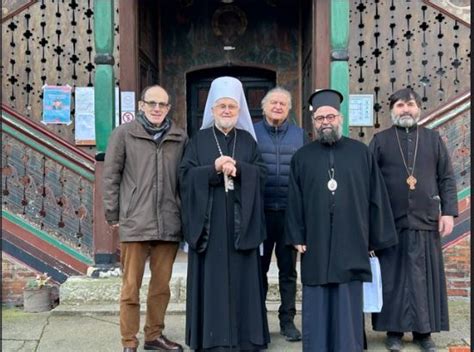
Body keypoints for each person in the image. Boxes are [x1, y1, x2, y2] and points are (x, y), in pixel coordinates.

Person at [285, 88, 398, 351]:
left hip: (352, 235)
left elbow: (376, 197)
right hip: (315, 236)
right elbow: (294, 199)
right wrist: (296, 235)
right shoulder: (302, 157)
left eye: (330, 117)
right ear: (313, 122)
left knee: (348, 294)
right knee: (317, 290)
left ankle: (348, 344)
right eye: (320, 118)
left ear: (340, 118)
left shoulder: (361, 153)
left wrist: (373, 237)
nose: (325, 122)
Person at [179, 76, 271, 351]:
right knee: (212, 284)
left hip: (241, 227)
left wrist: (240, 169)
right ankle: (210, 339)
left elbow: (262, 174)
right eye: (222, 106)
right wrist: (213, 169)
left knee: (244, 283)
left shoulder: (247, 142)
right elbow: (184, 177)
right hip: (211, 227)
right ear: (212, 110)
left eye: (232, 106)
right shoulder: (198, 141)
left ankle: (247, 339)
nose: (227, 111)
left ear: (239, 110)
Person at [369, 88, 458, 352]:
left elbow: (447, 178)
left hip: (425, 221)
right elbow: (368, 181)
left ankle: (424, 332)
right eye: (399, 106)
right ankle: (393, 332)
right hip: (390, 223)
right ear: (392, 111)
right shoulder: (381, 140)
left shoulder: (432, 139)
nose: (405, 109)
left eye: (409, 105)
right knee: (393, 279)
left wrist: (449, 213)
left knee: (423, 278)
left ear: (418, 108)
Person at [103, 85, 187, 352]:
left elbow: (184, 181)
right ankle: (129, 341)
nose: (157, 109)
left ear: (168, 108)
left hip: (168, 221)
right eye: (152, 103)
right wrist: (113, 213)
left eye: (162, 105)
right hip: (135, 221)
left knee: (161, 288)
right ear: (141, 105)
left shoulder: (179, 137)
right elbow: (111, 175)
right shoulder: (124, 134)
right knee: (130, 289)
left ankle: (154, 336)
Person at [253, 87, 307, 342]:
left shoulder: (300, 135)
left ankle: (287, 321)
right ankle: (258, 322)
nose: (277, 107)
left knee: (288, 271)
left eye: (283, 104)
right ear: (264, 107)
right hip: (260, 213)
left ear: (289, 109)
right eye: (273, 102)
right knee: (257, 270)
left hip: (289, 213)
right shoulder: (251, 133)